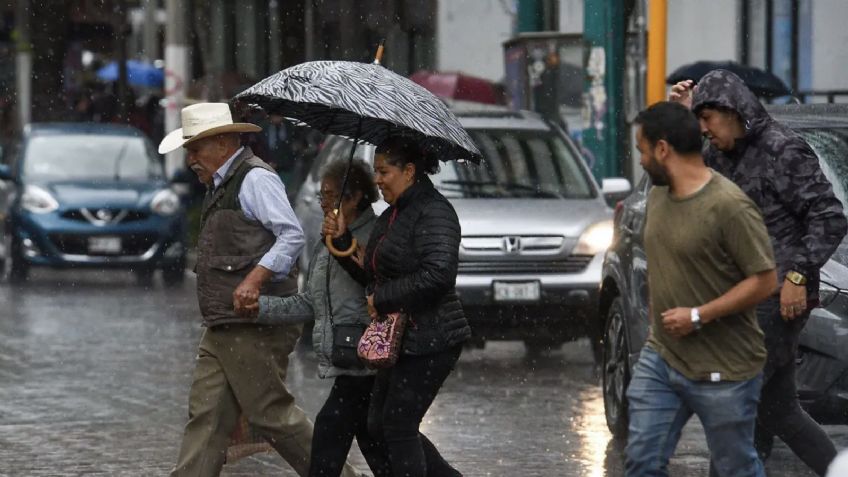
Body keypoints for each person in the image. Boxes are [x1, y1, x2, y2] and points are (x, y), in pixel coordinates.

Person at [671, 69, 847, 476]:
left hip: (773, 295)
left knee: (732, 407)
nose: (704, 131)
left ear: (731, 110)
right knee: (780, 410)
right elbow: (679, 178)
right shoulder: (719, 153)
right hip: (741, 296)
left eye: (707, 120)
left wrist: (799, 276)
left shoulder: (782, 150)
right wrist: (682, 117)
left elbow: (828, 216)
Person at [158, 102, 343, 477]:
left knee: (271, 414)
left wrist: (254, 279)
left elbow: (291, 236)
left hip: (252, 322)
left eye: (196, 148)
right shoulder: (221, 182)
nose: (190, 158)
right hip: (223, 322)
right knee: (206, 416)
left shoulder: (255, 178)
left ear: (224, 142)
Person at [624, 101, 777, 477]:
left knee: (735, 468)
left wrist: (699, 315)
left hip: (725, 367)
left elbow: (765, 280)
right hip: (662, 356)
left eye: (642, 150)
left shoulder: (729, 206)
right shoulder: (659, 193)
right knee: (642, 462)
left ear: (663, 150)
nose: (640, 161)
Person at [326, 136, 471, 477]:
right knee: (378, 424)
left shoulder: (435, 212)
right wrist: (343, 242)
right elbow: (375, 275)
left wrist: (383, 298)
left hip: (432, 339)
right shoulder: (393, 214)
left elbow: (438, 275)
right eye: (375, 172)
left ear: (409, 171)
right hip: (401, 339)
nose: (377, 180)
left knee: (398, 425)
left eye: (384, 171)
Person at [241, 158, 391, 477]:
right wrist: (261, 308)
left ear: (353, 198)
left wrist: (341, 242)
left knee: (329, 436)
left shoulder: (375, 237)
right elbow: (313, 302)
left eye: (327, 195)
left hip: (364, 359)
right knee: (379, 446)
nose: (321, 203)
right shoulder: (329, 241)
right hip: (349, 361)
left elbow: (375, 282)